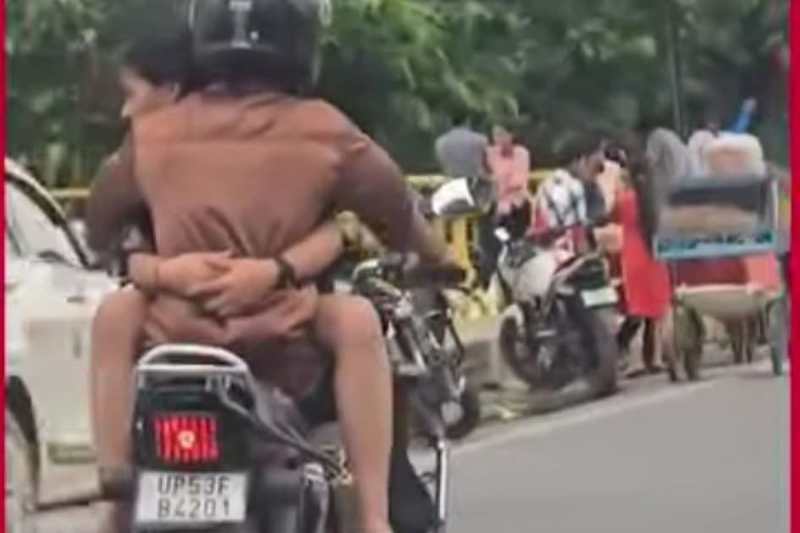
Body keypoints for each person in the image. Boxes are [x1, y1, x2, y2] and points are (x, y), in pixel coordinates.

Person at [87, 3, 452, 532]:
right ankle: (374, 518)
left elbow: (100, 222)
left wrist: (156, 268)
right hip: (283, 337)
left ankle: (115, 495)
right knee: (357, 320)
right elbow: (398, 214)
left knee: (116, 311)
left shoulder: (153, 133)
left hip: (177, 338)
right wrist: (438, 257)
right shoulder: (326, 130)